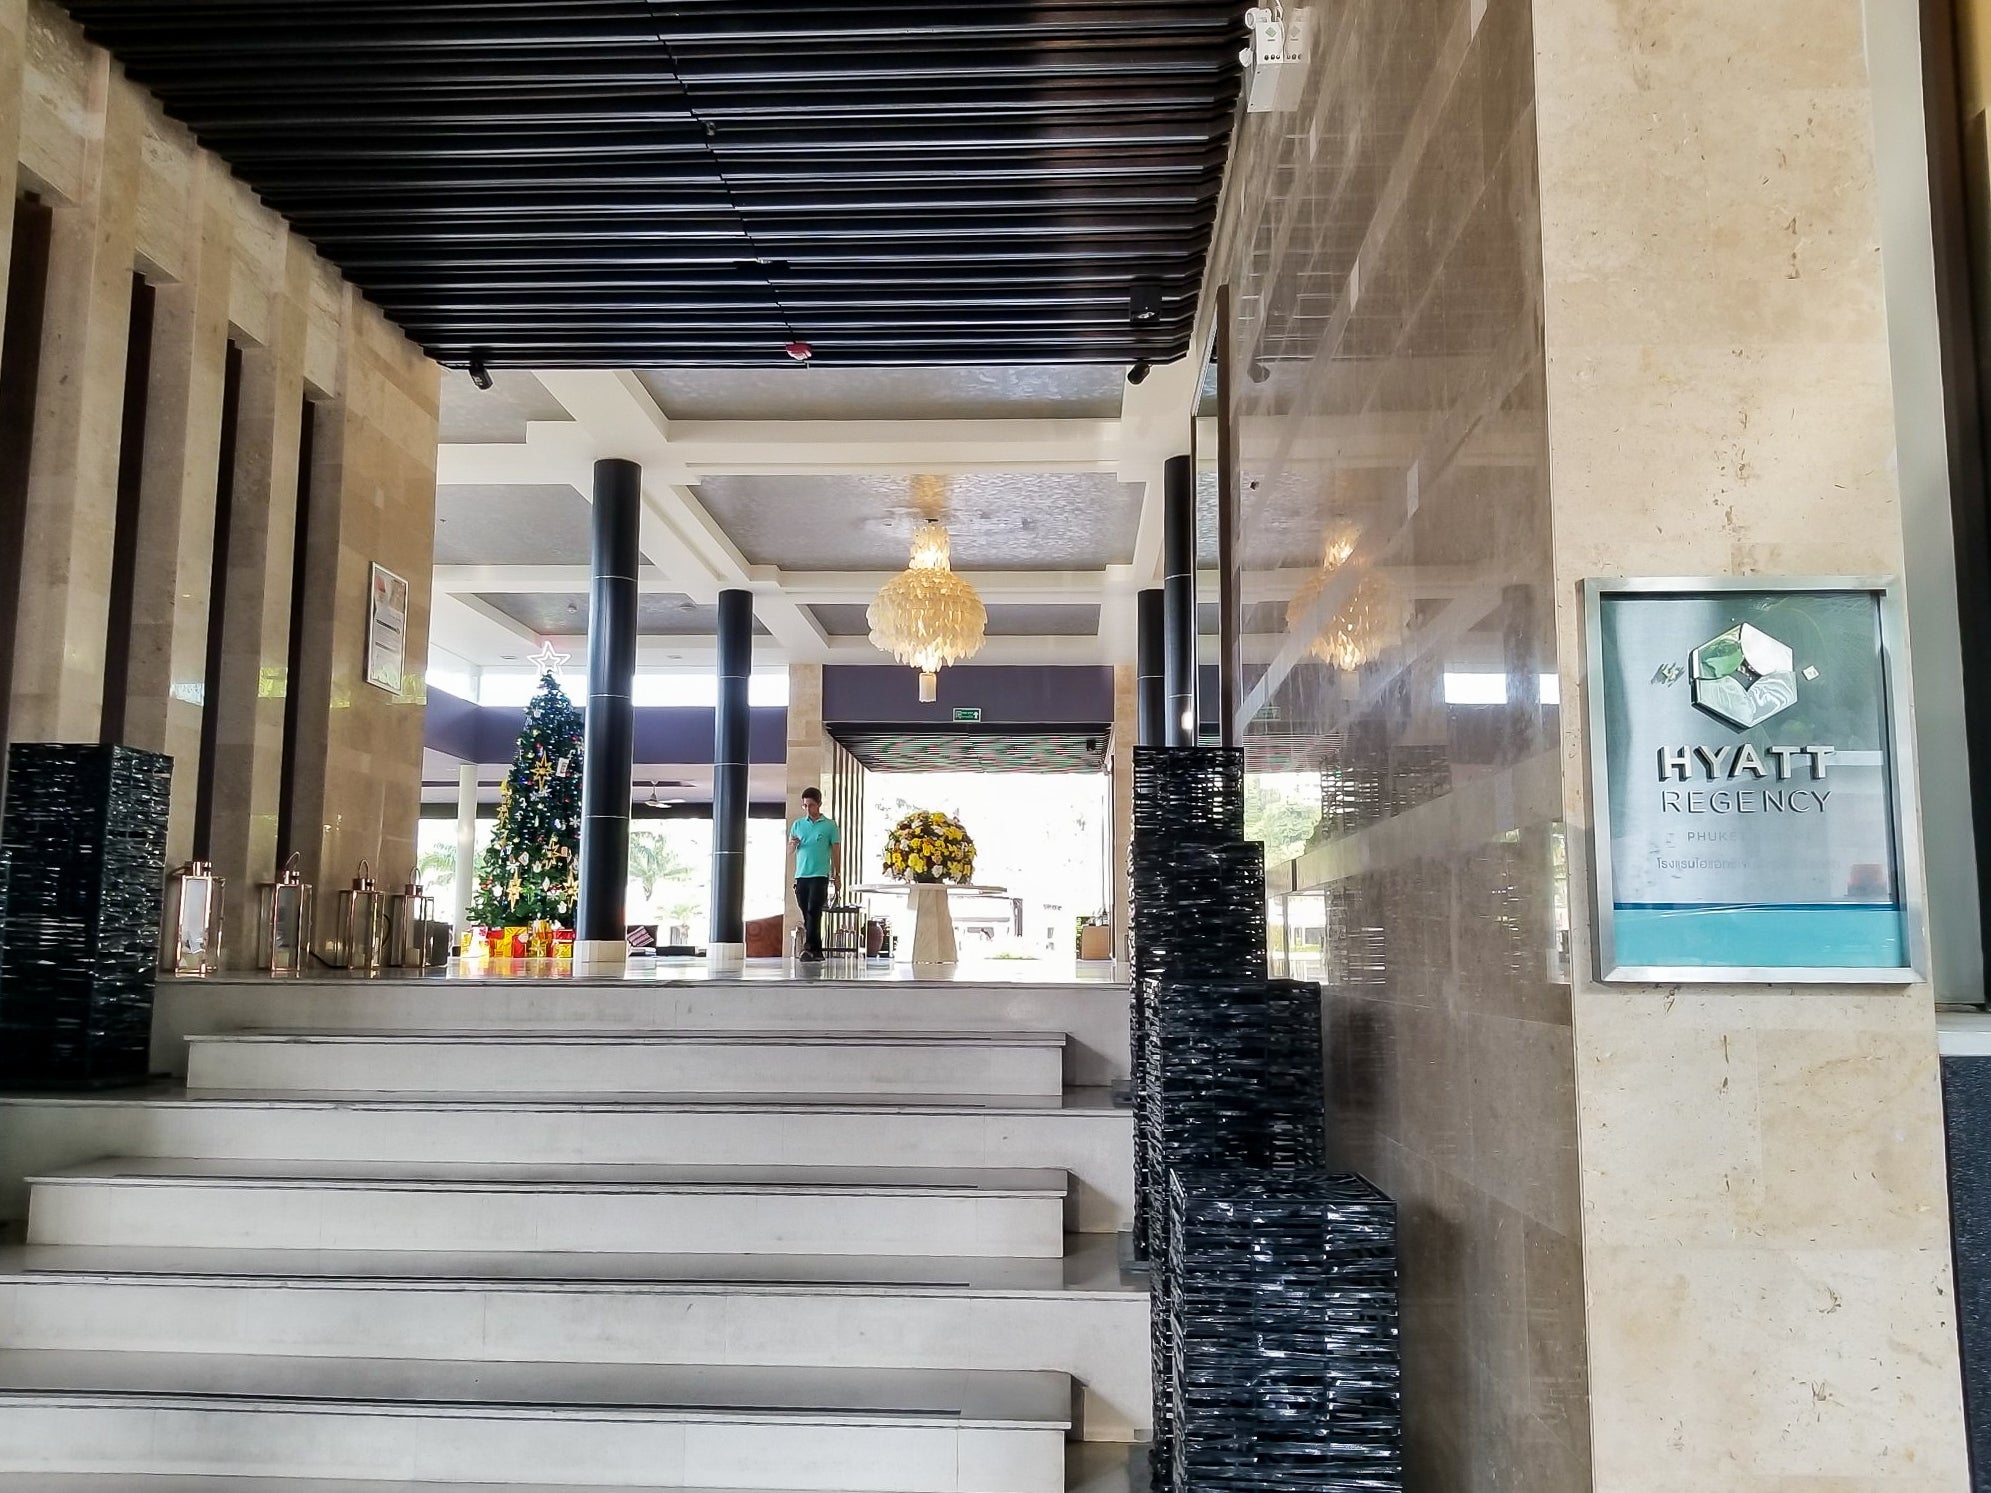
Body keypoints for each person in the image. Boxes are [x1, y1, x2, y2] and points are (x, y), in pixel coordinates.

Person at [789, 787, 841, 962]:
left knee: (813, 910)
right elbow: (789, 851)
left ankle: (809, 948)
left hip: (819, 876)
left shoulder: (830, 825)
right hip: (801, 875)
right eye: (805, 805)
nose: (808, 809)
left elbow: (836, 851)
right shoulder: (798, 825)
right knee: (807, 912)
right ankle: (817, 951)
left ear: (819, 804)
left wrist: (837, 874)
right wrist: (792, 845)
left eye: (811, 805)